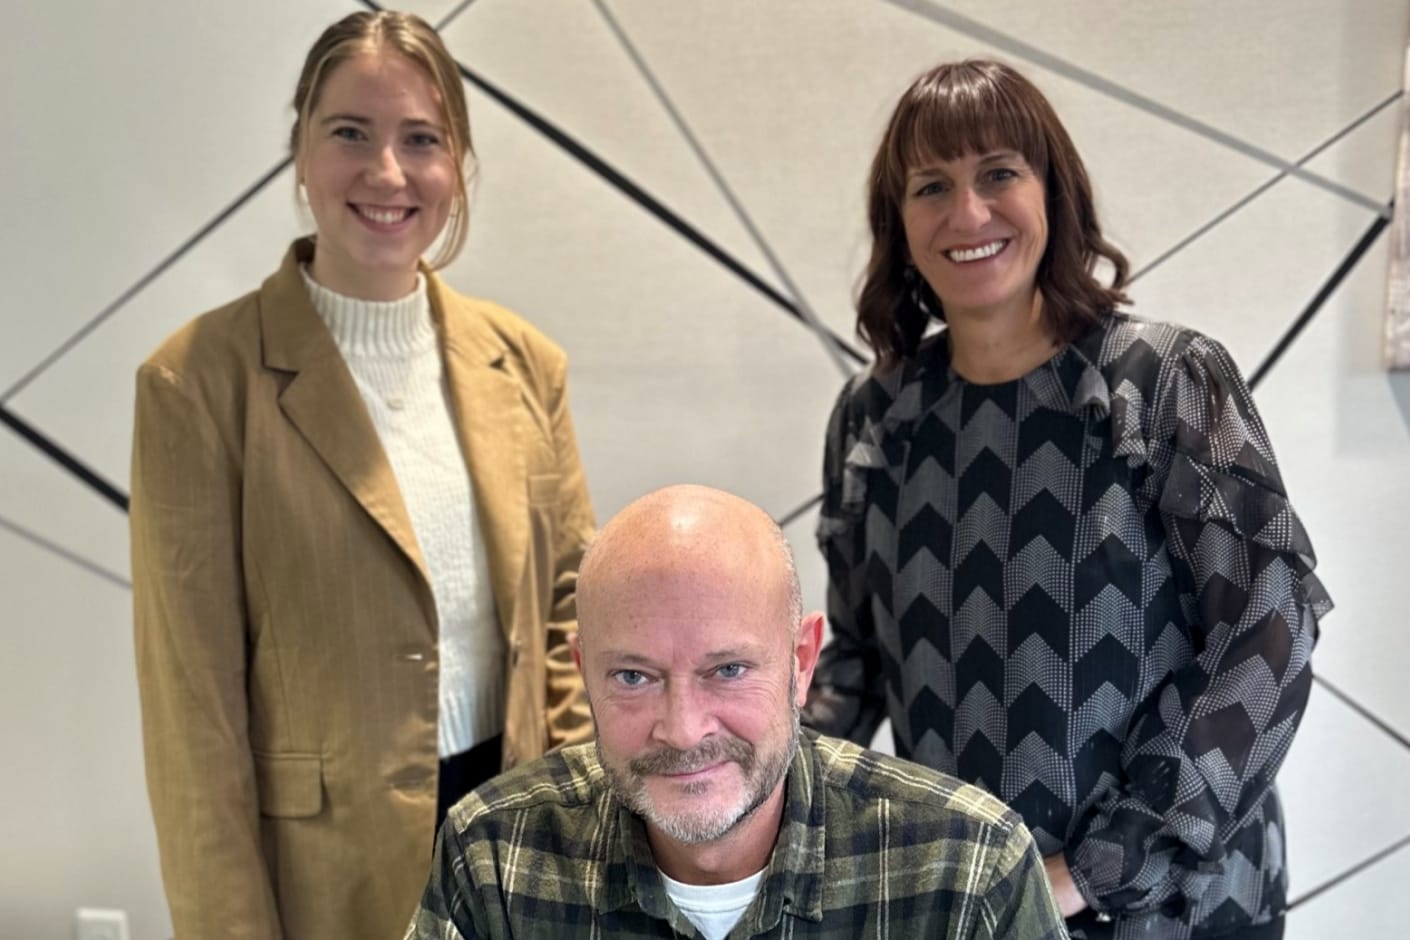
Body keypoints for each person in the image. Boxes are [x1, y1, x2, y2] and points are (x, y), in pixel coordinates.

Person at [803, 58, 1330, 940]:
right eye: (932, 186)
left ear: (1055, 190)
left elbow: (1270, 633)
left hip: (1175, 904)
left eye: (999, 173)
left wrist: (1095, 868)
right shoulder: (877, 415)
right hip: (975, 903)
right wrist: (747, 777)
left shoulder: (1162, 381)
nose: (967, 214)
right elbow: (857, 660)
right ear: (898, 222)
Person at [130, 11, 595, 939]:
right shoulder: (196, 384)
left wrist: (588, 836)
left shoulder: (525, 363)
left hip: (517, 845)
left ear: (457, 165)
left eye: (421, 139)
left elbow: (571, 619)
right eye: (350, 132)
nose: (387, 172)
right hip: (322, 878)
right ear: (299, 150)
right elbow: (196, 719)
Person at [406, 484, 1067, 939]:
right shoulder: (493, 856)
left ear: (802, 662)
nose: (684, 729)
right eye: (634, 676)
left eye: (727, 670)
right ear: (583, 673)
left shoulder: (969, 869)